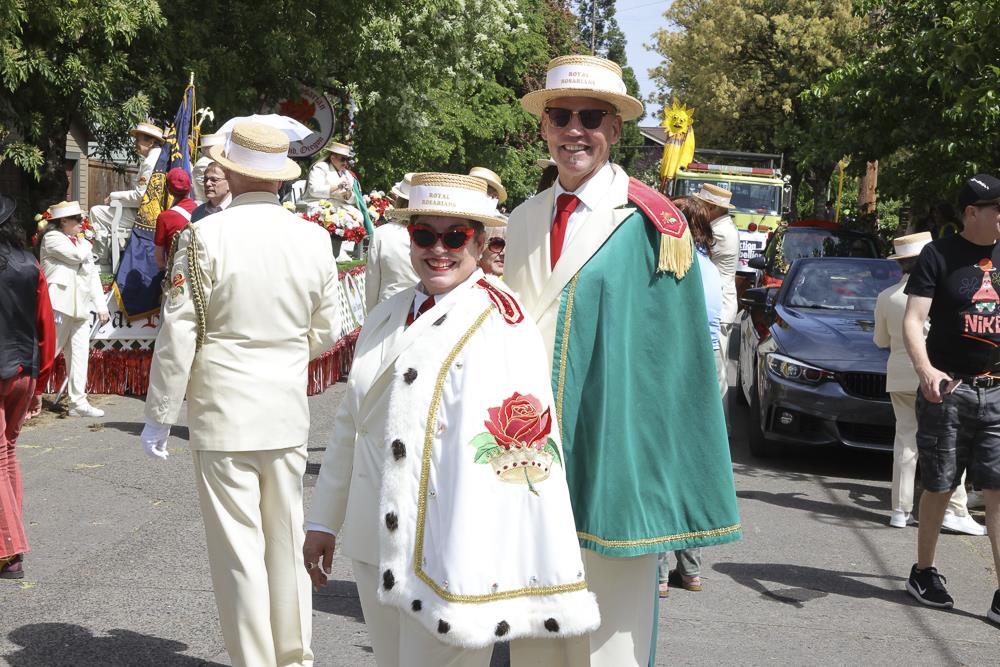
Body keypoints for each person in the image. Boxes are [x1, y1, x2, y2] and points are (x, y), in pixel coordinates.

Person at [303, 172, 598, 666]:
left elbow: (520, 450)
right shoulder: (387, 312)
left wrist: (486, 558)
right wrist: (323, 521)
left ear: (480, 244)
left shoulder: (502, 320)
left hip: (452, 548)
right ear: (409, 239)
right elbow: (352, 424)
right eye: (425, 235)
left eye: (455, 236)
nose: (438, 249)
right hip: (375, 540)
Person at [504, 54, 741, 666]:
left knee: (609, 634)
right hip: (527, 447)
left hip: (611, 450)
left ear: (614, 128)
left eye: (591, 117)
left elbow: (671, 366)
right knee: (533, 624)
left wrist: (654, 473)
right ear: (544, 126)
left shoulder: (655, 224)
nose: (574, 130)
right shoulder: (523, 219)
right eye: (561, 116)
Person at [141, 121, 341, 666]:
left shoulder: (204, 236)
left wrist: (160, 413)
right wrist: (283, 352)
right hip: (284, 405)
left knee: (240, 551)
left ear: (230, 170)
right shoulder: (312, 237)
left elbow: (179, 332)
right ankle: (294, 657)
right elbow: (327, 331)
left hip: (223, 406)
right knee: (286, 540)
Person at [902, 173, 1000, 626]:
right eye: (997, 208)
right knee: (940, 484)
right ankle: (923, 572)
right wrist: (926, 371)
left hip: (997, 390)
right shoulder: (938, 254)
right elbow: (913, 319)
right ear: (971, 213)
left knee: (997, 490)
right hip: (950, 390)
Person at [874, 232, 984, 535]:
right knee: (950, 442)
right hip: (937, 373)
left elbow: (880, 340)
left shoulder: (886, 296)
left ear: (901, 263)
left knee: (905, 441)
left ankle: (900, 510)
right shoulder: (943, 290)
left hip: (899, 374)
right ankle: (955, 509)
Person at [655, 196, 725, 598]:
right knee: (690, 467)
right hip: (706, 365)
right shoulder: (710, 267)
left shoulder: (671, 264)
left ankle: (659, 573)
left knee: (662, 466)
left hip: (674, 365)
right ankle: (692, 569)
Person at [0, 194, 56, 579]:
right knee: (7, 454)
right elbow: (45, 326)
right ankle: (10, 545)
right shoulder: (29, 264)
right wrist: (40, 383)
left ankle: (10, 550)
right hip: (24, 370)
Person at [39, 201, 110, 418]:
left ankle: (78, 402)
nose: (82, 223)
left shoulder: (79, 242)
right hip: (59, 304)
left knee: (80, 355)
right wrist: (87, 241)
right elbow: (77, 256)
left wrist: (101, 306)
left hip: (80, 305)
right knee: (48, 352)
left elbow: (92, 275)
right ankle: (28, 395)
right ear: (63, 221)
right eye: (78, 219)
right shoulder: (52, 238)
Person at [88, 122, 164, 266]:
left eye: (138, 140)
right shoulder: (160, 158)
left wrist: (114, 196)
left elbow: (140, 197)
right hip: (155, 213)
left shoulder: (150, 162)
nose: (135, 143)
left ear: (151, 142)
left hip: (146, 217)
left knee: (96, 212)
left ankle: (99, 258)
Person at [693, 183, 739, 394]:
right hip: (719, 305)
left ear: (712, 209)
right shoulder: (721, 227)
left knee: (717, 372)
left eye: (701, 206)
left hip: (719, 307)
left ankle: (719, 414)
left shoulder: (720, 232)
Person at [364, 173, 418, 311]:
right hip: (422, 309)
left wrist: (372, 315)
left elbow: (372, 281)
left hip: (387, 309)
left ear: (399, 201)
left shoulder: (382, 233)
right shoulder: (435, 236)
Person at [153, 168, 198, 270]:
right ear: (190, 187)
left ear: (169, 190)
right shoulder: (201, 210)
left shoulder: (164, 217)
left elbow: (159, 258)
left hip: (176, 271)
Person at [191, 133, 225, 202]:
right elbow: (207, 189)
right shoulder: (204, 164)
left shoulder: (209, 161)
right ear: (208, 149)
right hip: (205, 202)